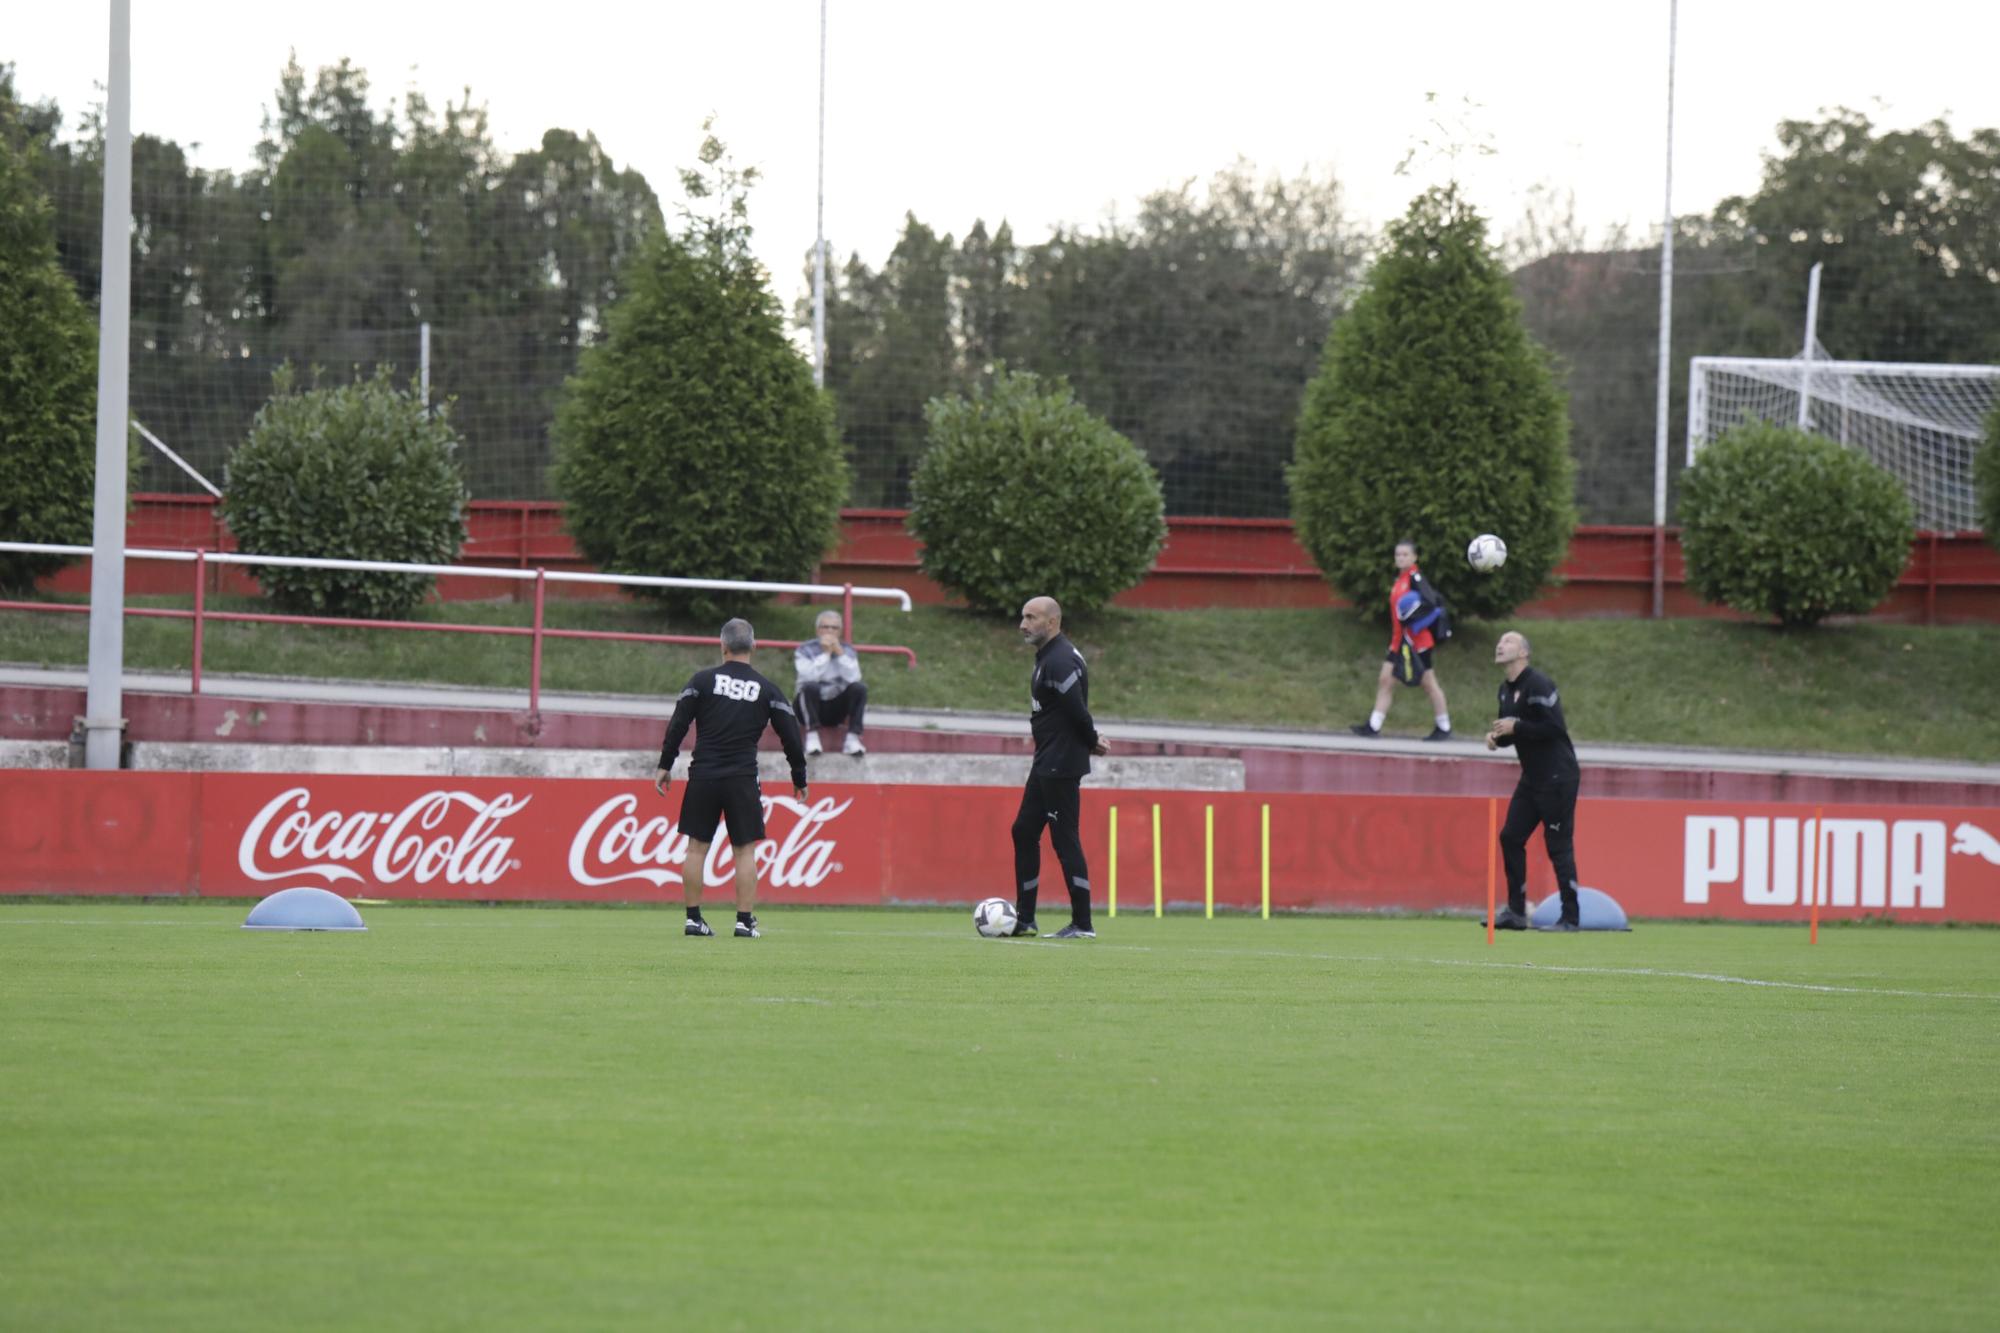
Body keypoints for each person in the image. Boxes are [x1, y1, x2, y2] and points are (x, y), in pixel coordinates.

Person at [654, 618, 809, 939]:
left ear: (722, 646)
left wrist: (665, 764)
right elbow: (791, 736)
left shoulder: (702, 681)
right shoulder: (767, 689)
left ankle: (694, 920)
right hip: (741, 778)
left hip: (704, 775)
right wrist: (799, 775)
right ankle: (743, 921)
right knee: (744, 851)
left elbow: (678, 723)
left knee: (696, 848)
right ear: (754, 646)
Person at [1010, 596, 1108, 940]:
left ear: (1052, 622)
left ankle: (1083, 924)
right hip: (1047, 760)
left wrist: (1092, 738)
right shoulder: (1051, 657)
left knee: (1065, 840)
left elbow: (1076, 709)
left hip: (1060, 763)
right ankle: (1025, 919)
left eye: (1031, 617)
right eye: (1023, 617)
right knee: (1023, 831)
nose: (1023, 624)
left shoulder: (1060, 660)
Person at [1486, 630, 1582, 931]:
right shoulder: (1504, 689)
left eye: (1509, 641)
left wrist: (1517, 726)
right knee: (1510, 837)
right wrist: (1496, 738)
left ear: (1524, 653)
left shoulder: (1538, 683)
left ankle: (1570, 917)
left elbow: (1554, 727)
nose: (1501, 645)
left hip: (1558, 776)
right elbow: (1513, 732)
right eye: (1500, 641)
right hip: (1532, 778)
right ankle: (1516, 912)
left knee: (1558, 845)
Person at [1350, 539, 1452, 742]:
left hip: (1418, 641)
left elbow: (1430, 602)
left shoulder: (1415, 577)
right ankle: (1373, 725)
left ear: (1414, 557)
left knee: (1429, 683)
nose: (1401, 558)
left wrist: (1411, 618)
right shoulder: (1400, 580)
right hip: (1399, 641)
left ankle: (1444, 726)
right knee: (1385, 680)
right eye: (1398, 555)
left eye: (1405, 554)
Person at [793, 609, 867, 757]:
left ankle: (852, 740)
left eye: (834, 628)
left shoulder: (848, 651)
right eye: (825, 627)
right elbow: (809, 676)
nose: (829, 631)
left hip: (834, 708)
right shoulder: (804, 650)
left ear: (840, 631)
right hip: (807, 707)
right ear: (817, 630)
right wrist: (826, 654)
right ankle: (812, 738)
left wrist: (840, 654)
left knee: (860, 688)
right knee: (810, 686)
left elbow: (854, 677)